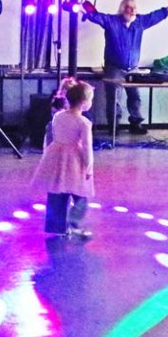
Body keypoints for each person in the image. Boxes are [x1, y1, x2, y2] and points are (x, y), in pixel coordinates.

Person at [85, 0, 168, 134]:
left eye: (134, 8)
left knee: (135, 97)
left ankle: (135, 124)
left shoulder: (140, 22)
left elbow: (156, 16)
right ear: (122, 9)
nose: (133, 11)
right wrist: (82, 7)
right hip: (114, 68)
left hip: (133, 69)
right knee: (114, 99)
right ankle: (114, 127)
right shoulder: (111, 21)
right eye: (129, 7)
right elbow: (96, 16)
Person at [33, 82, 96, 240]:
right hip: (74, 161)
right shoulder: (84, 123)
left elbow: (51, 137)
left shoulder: (58, 116)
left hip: (56, 157)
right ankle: (74, 223)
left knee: (57, 191)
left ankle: (57, 227)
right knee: (80, 193)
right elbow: (87, 147)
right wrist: (88, 166)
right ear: (84, 103)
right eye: (91, 100)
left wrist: (47, 155)